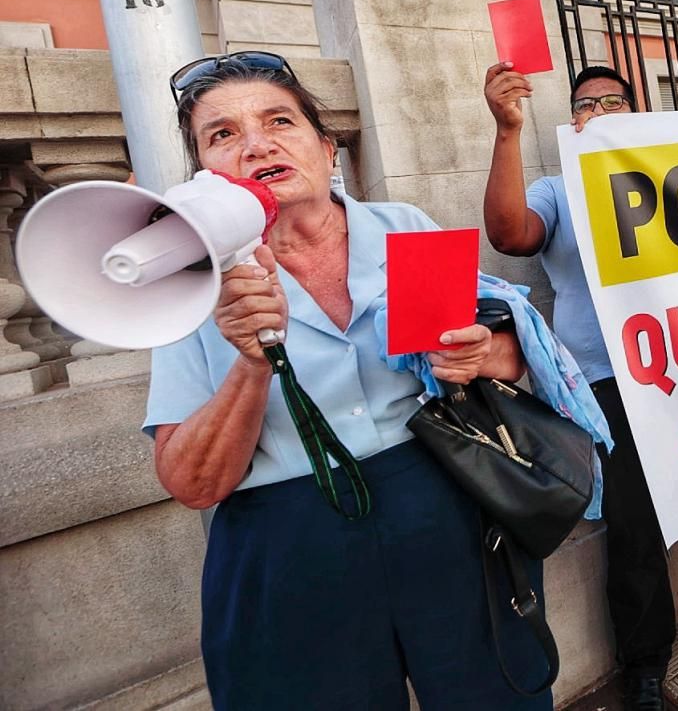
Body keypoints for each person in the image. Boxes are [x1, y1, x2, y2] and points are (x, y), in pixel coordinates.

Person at [144, 52, 556, 709]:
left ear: (326, 148)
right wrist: (253, 362)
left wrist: (481, 352)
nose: (255, 144)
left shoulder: (404, 228)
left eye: (279, 120)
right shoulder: (189, 286)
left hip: (446, 507)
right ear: (206, 174)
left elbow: (508, 362)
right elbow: (193, 482)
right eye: (222, 134)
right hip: (289, 544)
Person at [483, 63, 678, 706]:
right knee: (634, 528)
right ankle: (646, 659)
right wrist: (506, 132)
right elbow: (509, 234)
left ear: (638, 111)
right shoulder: (555, 188)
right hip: (608, 381)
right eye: (585, 103)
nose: (599, 109)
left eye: (614, 100)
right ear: (570, 120)